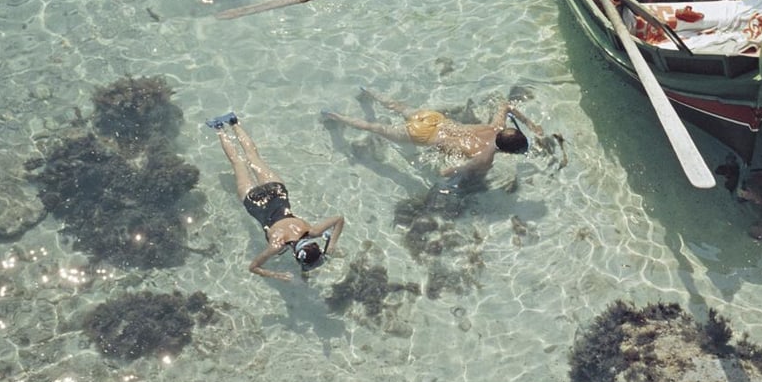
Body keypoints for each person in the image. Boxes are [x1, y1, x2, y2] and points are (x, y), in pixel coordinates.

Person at [208, 112, 344, 282]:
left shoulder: (313, 231)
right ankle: (219, 128)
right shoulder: (277, 245)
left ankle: (233, 122)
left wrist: (332, 243)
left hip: (276, 192)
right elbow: (253, 267)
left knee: (252, 156)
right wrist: (277, 275)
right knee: (237, 162)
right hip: (255, 201)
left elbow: (339, 219)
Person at [322, 89, 543, 182]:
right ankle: (333, 116)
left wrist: (531, 124)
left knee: (398, 107)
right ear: (507, 151)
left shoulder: (496, 127)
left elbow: (506, 106)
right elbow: (447, 171)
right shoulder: (484, 158)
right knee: (375, 128)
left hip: (433, 119)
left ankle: (367, 91)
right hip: (422, 136)